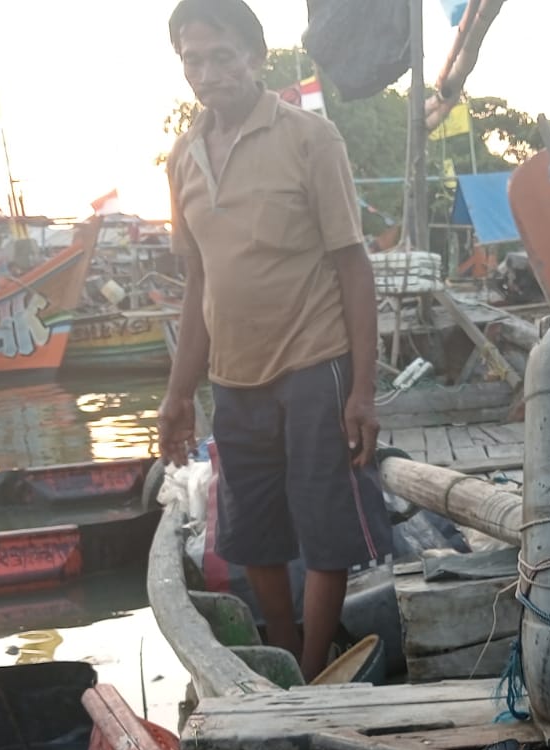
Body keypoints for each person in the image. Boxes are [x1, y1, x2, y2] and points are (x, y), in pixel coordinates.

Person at [158, 0, 389, 683]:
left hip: (315, 362)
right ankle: (286, 657)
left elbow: (352, 263)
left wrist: (364, 390)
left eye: (222, 56)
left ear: (255, 57)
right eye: (193, 60)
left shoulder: (309, 138)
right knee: (252, 530)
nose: (208, 73)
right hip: (235, 376)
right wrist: (177, 395)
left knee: (325, 528)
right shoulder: (182, 161)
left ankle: (315, 666)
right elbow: (200, 281)